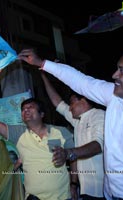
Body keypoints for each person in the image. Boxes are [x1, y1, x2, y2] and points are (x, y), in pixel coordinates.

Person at [18, 48, 123, 200]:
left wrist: (69, 153)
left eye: (122, 71)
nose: (114, 75)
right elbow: (81, 81)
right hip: (111, 194)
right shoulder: (114, 97)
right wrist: (42, 63)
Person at [0, 90, 77, 200]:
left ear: (42, 114)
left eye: (30, 107)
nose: (25, 110)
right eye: (23, 109)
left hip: (63, 196)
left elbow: (74, 158)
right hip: (33, 198)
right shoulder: (18, 133)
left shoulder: (61, 132)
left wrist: (74, 184)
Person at [41, 72, 106, 200]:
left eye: (72, 103)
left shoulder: (99, 115)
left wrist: (68, 153)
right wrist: (43, 74)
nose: (69, 108)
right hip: (86, 190)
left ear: (84, 100)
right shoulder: (78, 121)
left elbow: (98, 145)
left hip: (102, 190)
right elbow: (57, 102)